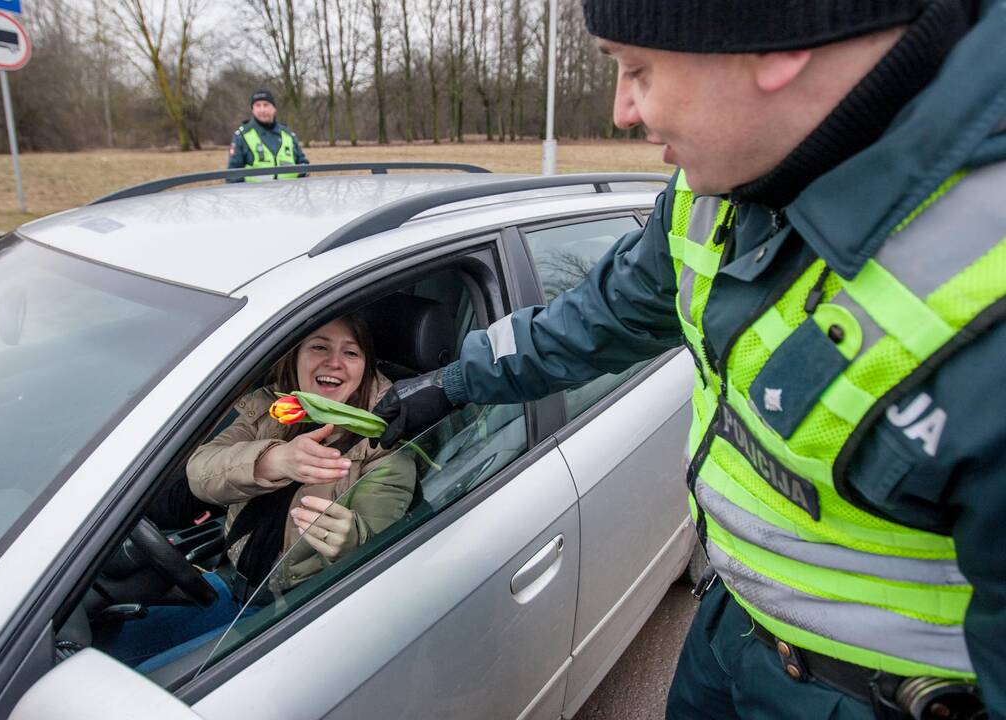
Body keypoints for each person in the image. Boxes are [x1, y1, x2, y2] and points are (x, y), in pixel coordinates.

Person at [373, 1, 1006, 718]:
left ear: (779, 40)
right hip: (730, 633)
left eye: (637, 69)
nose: (621, 111)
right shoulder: (716, 192)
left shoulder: (986, 292)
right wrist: (452, 382)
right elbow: (592, 318)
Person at [100, 316, 415, 670]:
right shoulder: (270, 408)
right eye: (319, 347)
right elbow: (200, 471)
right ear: (295, 356)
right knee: (101, 653)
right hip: (231, 584)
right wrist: (272, 460)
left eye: (351, 353)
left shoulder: (387, 443)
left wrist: (353, 539)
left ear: (365, 368)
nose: (334, 363)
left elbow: (382, 551)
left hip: (286, 614)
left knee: (143, 682)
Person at [227, 89, 309, 182]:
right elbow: (233, 176)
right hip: (255, 195)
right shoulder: (242, 135)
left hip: (289, 193)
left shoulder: (288, 134)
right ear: (252, 110)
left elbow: (303, 166)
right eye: (258, 105)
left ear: (274, 108)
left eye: (266, 105)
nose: (262, 109)